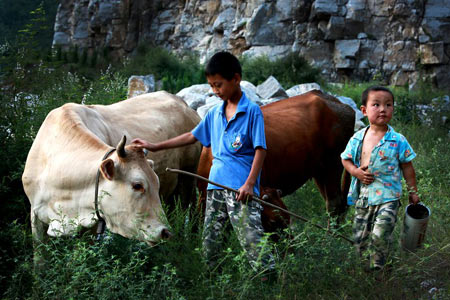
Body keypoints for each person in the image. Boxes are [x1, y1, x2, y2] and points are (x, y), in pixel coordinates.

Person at [132, 51, 275, 274]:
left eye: (218, 85)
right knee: (210, 243)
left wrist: (249, 184)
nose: (215, 91)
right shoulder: (215, 113)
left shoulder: (252, 112)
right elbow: (192, 136)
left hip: (240, 191)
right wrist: (155, 145)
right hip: (215, 188)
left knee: (253, 243)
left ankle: (270, 280)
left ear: (236, 79)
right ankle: (213, 285)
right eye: (211, 86)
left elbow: (260, 150)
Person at [341, 86, 420, 271]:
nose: (383, 109)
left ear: (393, 108)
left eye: (388, 105)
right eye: (376, 105)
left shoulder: (398, 139)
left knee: (380, 234)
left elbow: (408, 167)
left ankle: (380, 268)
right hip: (364, 198)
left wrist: (413, 192)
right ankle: (365, 270)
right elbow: (345, 159)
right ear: (364, 110)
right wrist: (356, 172)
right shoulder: (357, 138)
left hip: (389, 196)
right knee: (360, 239)